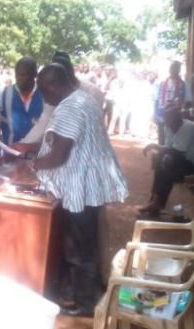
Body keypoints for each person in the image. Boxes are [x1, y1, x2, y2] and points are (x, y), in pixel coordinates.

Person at [33, 64, 128, 316]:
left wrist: (34, 163)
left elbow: (59, 155)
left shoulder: (71, 106)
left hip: (80, 186)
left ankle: (86, 305)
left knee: (79, 249)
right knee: (85, 244)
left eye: (43, 91)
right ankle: (81, 294)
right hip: (88, 182)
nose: (43, 96)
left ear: (54, 86)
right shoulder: (85, 98)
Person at [140, 104, 194, 217]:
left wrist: (154, 145)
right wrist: (161, 156)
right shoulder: (168, 127)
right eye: (166, 118)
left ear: (178, 118)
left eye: (170, 119)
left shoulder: (188, 127)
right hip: (184, 162)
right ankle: (155, 199)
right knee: (160, 159)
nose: (167, 122)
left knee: (170, 165)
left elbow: (177, 151)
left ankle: (157, 203)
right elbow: (168, 149)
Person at [0, 56, 44, 145]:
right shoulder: (4, 93)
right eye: (17, 74)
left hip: (39, 153)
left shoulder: (45, 94)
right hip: (11, 152)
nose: (19, 78)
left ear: (35, 74)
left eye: (24, 75)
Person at [154, 61, 192, 145]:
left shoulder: (185, 85)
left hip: (176, 117)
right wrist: (155, 114)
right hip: (162, 115)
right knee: (162, 137)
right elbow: (156, 100)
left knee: (174, 139)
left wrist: (181, 110)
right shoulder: (161, 83)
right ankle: (161, 155)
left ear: (179, 70)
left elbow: (187, 102)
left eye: (175, 68)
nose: (172, 70)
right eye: (171, 68)